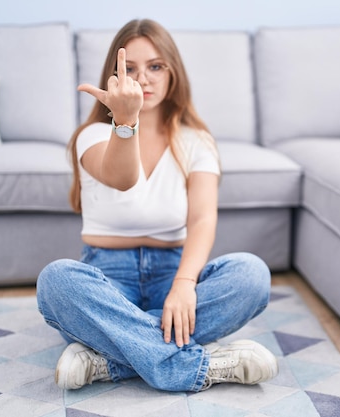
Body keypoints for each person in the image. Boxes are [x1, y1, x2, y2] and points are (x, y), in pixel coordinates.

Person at [36, 19, 278, 393]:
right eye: (129, 69)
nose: (143, 79)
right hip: (107, 276)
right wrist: (126, 121)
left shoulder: (197, 140)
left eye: (155, 66)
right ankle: (199, 364)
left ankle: (110, 358)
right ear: (113, 78)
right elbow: (122, 177)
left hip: (174, 271)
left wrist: (184, 283)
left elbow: (201, 219)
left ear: (173, 72)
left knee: (252, 274)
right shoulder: (93, 135)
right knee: (56, 281)